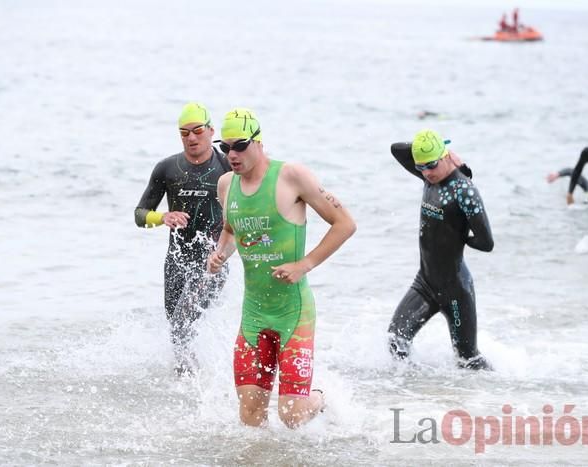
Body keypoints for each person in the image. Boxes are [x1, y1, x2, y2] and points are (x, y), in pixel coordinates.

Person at [207, 108, 356, 428]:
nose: (232, 154)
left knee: (292, 416)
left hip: (293, 313)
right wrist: (220, 254)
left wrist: (305, 264)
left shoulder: (292, 176)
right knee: (250, 418)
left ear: (259, 142)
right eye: (225, 147)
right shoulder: (225, 185)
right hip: (253, 314)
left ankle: (319, 398)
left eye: (240, 145)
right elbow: (232, 230)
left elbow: (344, 223)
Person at [135, 102, 231, 376]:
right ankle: (189, 383)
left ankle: (196, 380)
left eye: (197, 131)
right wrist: (162, 217)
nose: (191, 138)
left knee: (181, 324)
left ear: (211, 131)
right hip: (177, 259)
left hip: (214, 259)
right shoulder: (167, 168)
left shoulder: (227, 165)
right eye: (184, 132)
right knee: (176, 331)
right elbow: (140, 214)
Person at [388, 129, 494, 370]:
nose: (426, 172)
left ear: (445, 156)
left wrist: (458, 237)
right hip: (425, 283)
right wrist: (428, 148)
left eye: (432, 165)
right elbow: (397, 149)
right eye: (421, 167)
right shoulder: (427, 176)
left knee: (468, 360)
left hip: (455, 288)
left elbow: (486, 242)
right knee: (396, 342)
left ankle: (499, 394)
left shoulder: (464, 190)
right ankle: (417, 394)